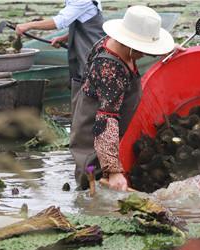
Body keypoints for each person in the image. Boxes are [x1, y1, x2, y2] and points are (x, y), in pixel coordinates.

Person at [70, 5, 175, 191]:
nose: (145, 54)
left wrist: (165, 49)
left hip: (111, 135)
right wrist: (113, 171)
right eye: (144, 48)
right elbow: (105, 122)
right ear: (130, 43)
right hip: (95, 140)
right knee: (93, 189)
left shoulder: (115, 43)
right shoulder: (109, 69)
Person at [15, 0, 105, 98]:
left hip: (92, 52)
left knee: (92, 87)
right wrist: (65, 38)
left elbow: (60, 21)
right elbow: (83, 20)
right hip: (83, 52)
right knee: (81, 84)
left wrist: (29, 25)